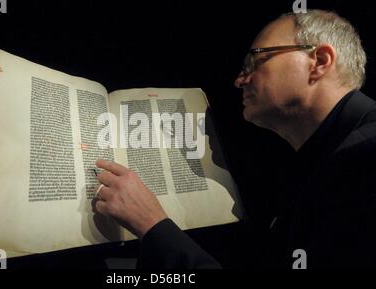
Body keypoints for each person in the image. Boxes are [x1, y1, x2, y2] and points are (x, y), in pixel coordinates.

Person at [93, 9, 376, 269]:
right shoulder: (324, 160)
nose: (240, 80)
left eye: (256, 60)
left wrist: (152, 225)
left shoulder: (365, 156)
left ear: (319, 62)